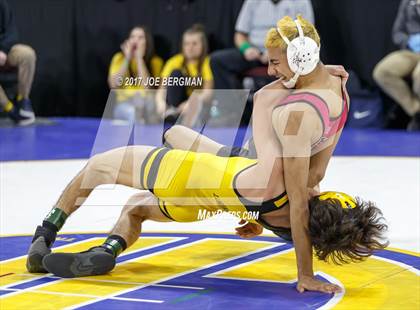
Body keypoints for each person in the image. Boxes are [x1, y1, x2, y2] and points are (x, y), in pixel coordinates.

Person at [27, 16, 388, 293]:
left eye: (277, 63)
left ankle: (44, 234)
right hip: (224, 190)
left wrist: (304, 274)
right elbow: (311, 182)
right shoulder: (340, 93)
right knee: (165, 151)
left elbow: (297, 202)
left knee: (98, 168)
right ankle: (111, 246)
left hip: (198, 178)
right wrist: (257, 215)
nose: (271, 70)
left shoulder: (296, 113)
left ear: (302, 57)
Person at [210, 0, 314, 90]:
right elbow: (240, 34)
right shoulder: (253, 2)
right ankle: (232, 110)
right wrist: (246, 49)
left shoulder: (301, 2)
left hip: (286, 54)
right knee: (217, 60)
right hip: (255, 53)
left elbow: (306, 37)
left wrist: (277, 53)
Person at [373, 0, 420, 130]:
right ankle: (416, 112)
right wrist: (409, 41)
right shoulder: (408, 2)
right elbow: (397, 33)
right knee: (382, 71)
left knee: (419, 76)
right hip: (411, 51)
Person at [155, 24, 214, 129]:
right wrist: (160, 103)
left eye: (194, 44)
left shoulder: (207, 62)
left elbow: (208, 93)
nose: (190, 48)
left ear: (203, 45)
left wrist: (191, 102)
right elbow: (162, 89)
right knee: (176, 74)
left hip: (197, 104)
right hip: (176, 103)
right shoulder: (174, 61)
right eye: (186, 44)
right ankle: (172, 114)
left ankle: (185, 121)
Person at [108, 26, 163, 123]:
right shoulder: (119, 58)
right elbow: (114, 85)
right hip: (125, 104)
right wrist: (127, 58)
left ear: (147, 42)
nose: (135, 41)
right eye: (132, 37)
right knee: (133, 112)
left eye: (140, 37)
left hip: (146, 104)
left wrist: (139, 59)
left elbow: (147, 88)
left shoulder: (156, 61)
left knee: (151, 110)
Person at [0, 0, 36, 125]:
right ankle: (10, 109)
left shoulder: (2, 5)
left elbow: (12, 32)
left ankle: (22, 101)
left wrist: (3, 50)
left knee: (27, 54)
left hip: (4, 52)